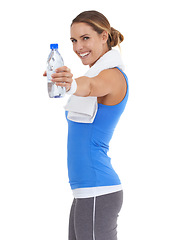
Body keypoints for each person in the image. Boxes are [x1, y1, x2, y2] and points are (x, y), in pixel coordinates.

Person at [44, 10, 128, 240]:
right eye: (74, 40)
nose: (78, 46)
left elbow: (90, 86)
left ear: (104, 36)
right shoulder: (99, 72)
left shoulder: (112, 76)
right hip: (87, 192)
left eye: (85, 38)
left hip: (98, 190)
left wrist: (70, 85)